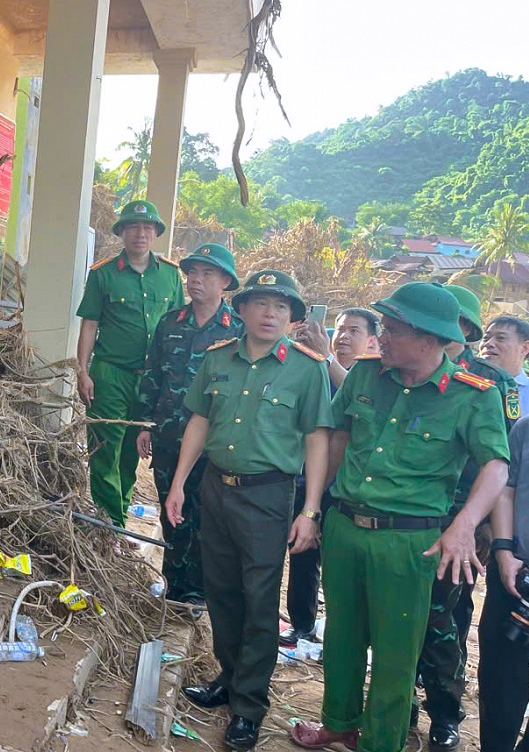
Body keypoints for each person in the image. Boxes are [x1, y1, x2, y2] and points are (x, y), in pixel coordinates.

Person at [291, 282, 511, 752]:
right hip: (346, 527)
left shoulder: (475, 395)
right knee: (342, 638)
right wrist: (313, 510)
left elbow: (496, 466)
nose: (381, 338)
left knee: (395, 654)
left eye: (391, 330)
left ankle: (381, 742)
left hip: (408, 542)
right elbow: (338, 439)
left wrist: (465, 525)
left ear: (429, 340)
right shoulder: (368, 376)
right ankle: (340, 722)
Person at [167, 270, 333, 750]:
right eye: (261, 304)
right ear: (240, 311)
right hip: (216, 487)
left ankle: (248, 707)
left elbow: (317, 439)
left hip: (268, 495)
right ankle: (229, 677)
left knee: (259, 599)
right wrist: (179, 484)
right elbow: (200, 420)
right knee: (221, 590)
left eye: (281, 308)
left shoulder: (307, 368)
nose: (270, 315)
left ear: (293, 318)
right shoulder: (217, 359)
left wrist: (312, 509)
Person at [413, 285, 520, 750]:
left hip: (460, 521)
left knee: (445, 619)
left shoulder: (490, 381)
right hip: (409, 516)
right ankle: (402, 702)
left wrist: (480, 527)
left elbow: (501, 462)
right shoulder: (407, 371)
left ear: (466, 331)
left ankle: (445, 713)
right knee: (399, 617)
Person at [135, 243, 242, 606]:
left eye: (207, 274)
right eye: (192, 273)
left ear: (225, 281)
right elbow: (152, 376)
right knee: (171, 511)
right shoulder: (170, 323)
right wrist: (145, 424)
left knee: (204, 516)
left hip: (213, 444)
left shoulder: (238, 332)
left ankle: (197, 590)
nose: (196, 280)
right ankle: (173, 584)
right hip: (167, 435)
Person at [76, 200, 184, 530]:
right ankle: (109, 526)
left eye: (147, 228)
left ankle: (118, 516)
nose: (140, 234)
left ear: (155, 234)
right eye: (134, 227)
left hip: (151, 380)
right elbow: (90, 325)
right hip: (111, 373)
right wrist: (82, 370)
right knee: (106, 448)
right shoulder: (103, 274)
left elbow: (177, 325)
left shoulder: (170, 275)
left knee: (132, 453)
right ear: (122, 232)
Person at [282, 308, 381, 648]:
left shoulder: (375, 376)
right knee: (302, 553)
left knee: (342, 566)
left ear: (372, 340)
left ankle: (344, 636)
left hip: (351, 488)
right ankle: (301, 625)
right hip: (311, 476)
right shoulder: (317, 367)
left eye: (354, 330)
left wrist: (326, 360)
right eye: (339, 329)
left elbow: (354, 396)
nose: (343, 337)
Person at [479, 415, 529, 751]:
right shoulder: (525, 429)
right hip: (515, 573)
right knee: (500, 681)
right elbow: (506, 490)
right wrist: (502, 550)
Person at [481, 316, 529, 415]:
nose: (489, 344)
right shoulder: (465, 387)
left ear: (525, 348)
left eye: (501, 338)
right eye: (486, 338)